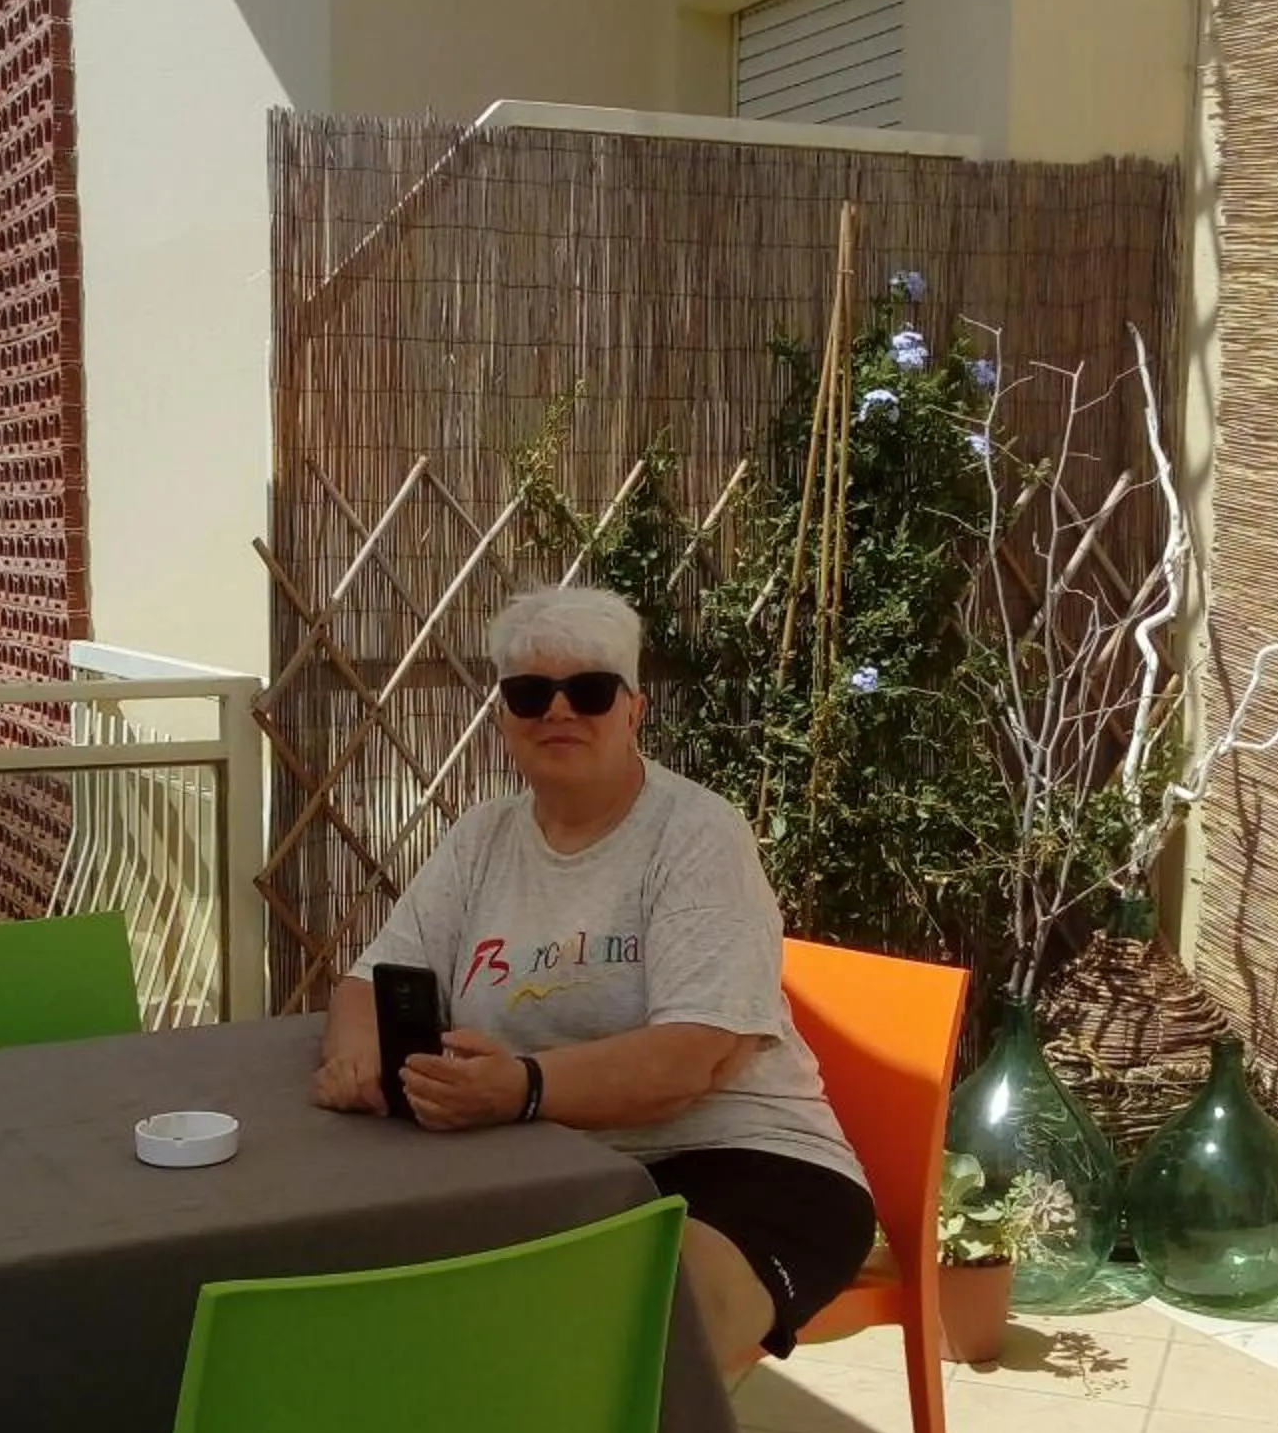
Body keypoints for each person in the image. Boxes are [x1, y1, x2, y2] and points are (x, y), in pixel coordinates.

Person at [313, 583, 876, 1372]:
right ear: (504, 714)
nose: (559, 711)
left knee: (634, 1336)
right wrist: (358, 1058)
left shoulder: (697, 834)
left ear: (634, 711)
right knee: (376, 1290)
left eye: (590, 689)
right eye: (531, 692)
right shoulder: (482, 839)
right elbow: (367, 982)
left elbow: (689, 1060)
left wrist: (522, 1088)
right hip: (547, 1162)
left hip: (738, 1159)